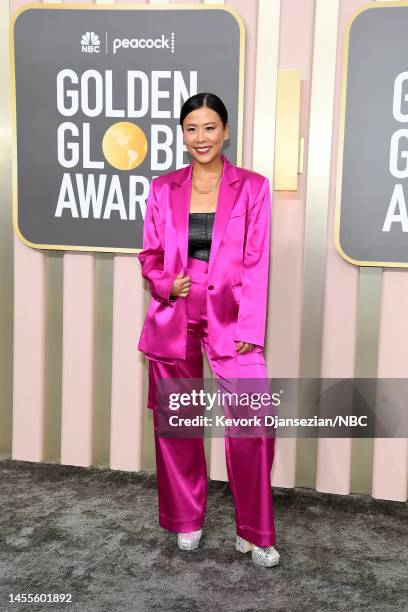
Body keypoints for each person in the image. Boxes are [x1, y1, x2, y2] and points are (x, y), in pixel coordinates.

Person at [137, 93, 279, 568]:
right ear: (183, 134)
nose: (201, 138)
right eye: (192, 129)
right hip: (175, 311)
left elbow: (257, 261)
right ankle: (186, 521)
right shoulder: (162, 189)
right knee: (178, 421)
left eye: (210, 128)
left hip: (232, 315)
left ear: (227, 131)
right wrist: (163, 283)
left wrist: (250, 326)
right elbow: (150, 255)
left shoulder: (253, 187)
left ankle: (255, 531)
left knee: (253, 423)